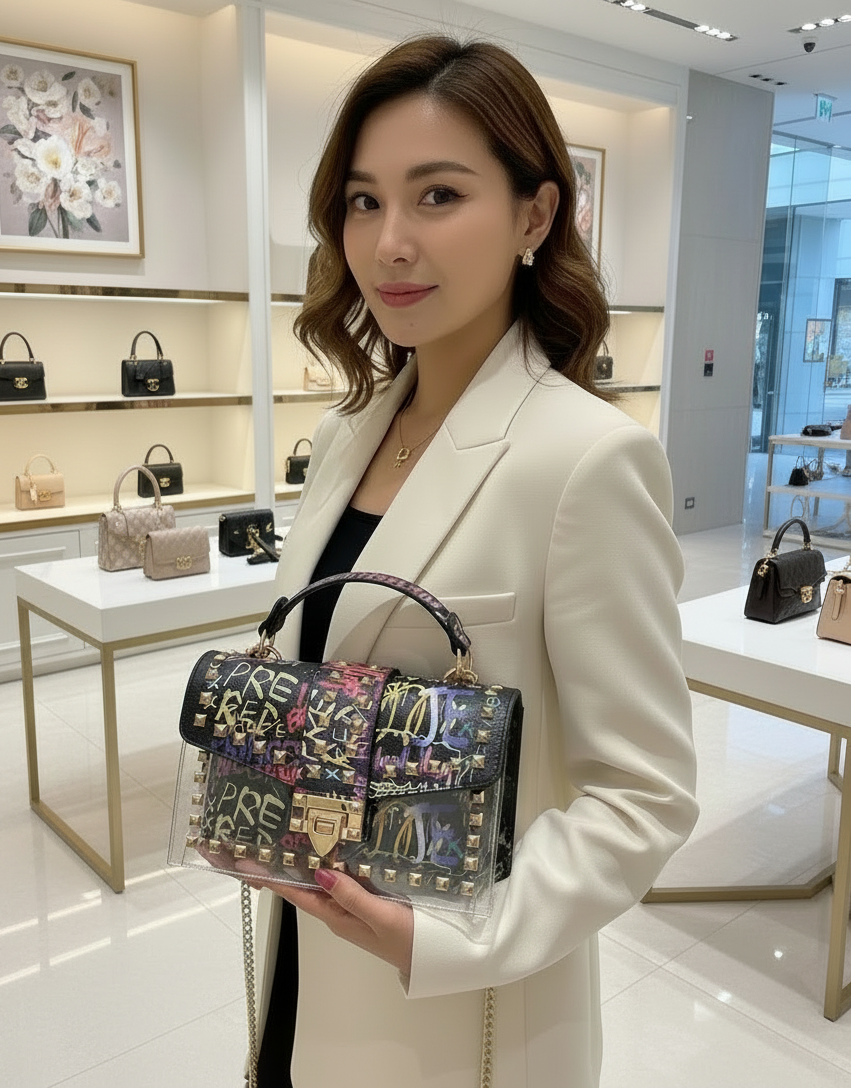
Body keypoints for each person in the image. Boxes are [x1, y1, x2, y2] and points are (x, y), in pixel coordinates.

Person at [249, 34, 698, 1088]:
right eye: (363, 202)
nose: (390, 242)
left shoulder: (587, 459)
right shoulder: (347, 432)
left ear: (535, 215)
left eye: (438, 195)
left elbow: (644, 796)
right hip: (302, 963)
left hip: (460, 1015)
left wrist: (442, 934)